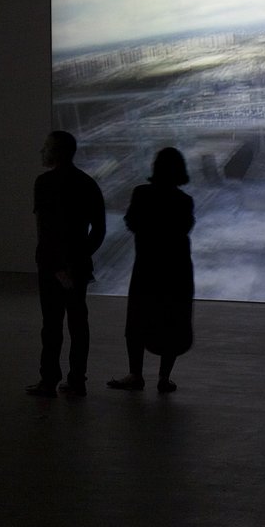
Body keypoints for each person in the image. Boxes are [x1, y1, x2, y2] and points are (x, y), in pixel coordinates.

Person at [108, 147, 195, 394]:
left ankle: (135, 374)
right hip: (176, 270)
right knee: (172, 321)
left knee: (138, 320)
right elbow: (184, 229)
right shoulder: (184, 200)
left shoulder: (142, 193)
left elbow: (132, 222)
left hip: (147, 267)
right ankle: (164, 378)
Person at [27, 130, 106, 397]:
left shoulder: (44, 183)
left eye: (46, 147)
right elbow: (99, 230)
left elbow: (45, 231)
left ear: (56, 152)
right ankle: (77, 380)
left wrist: (56, 265)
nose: (42, 152)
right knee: (78, 323)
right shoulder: (87, 183)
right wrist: (78, 259)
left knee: (51, 325)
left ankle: (48, 380)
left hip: (51, 266)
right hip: (78, 266)